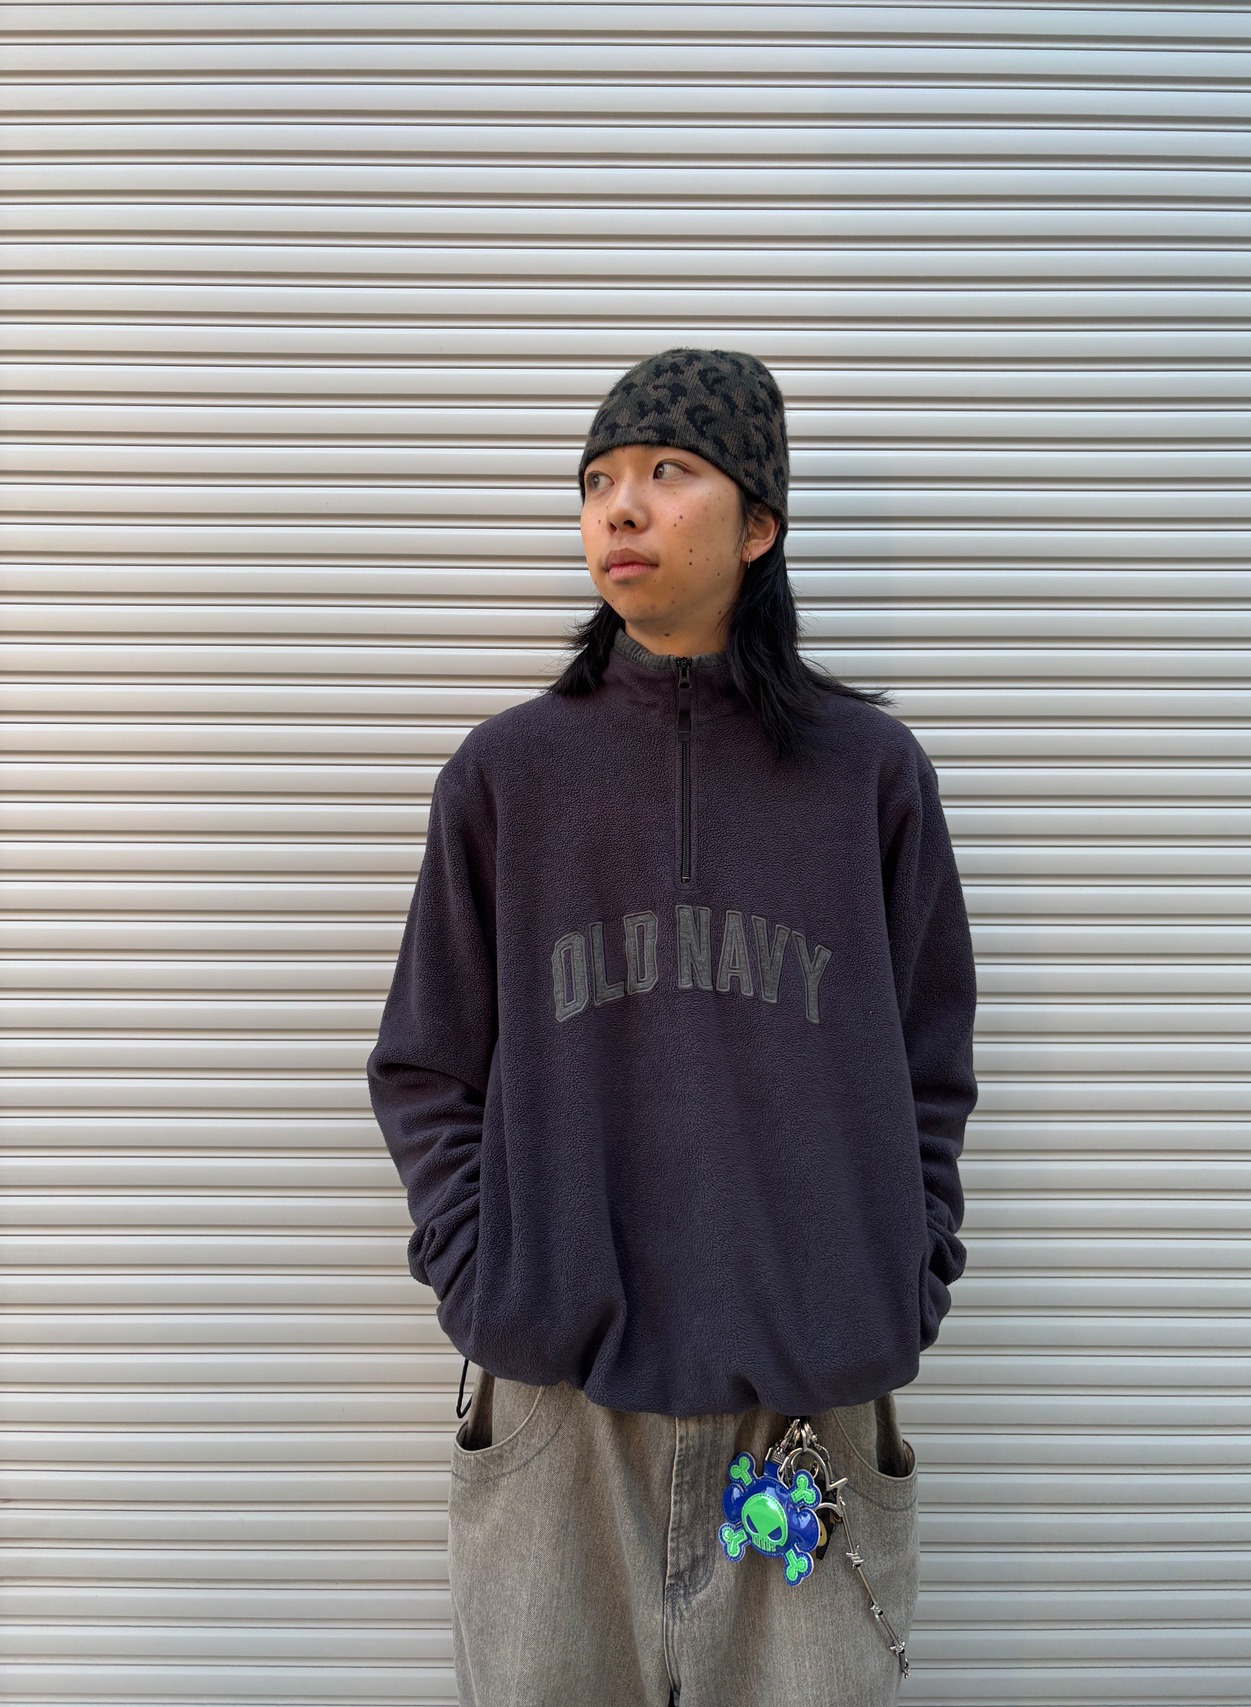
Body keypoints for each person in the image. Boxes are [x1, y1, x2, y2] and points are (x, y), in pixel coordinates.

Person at [366, 347, 979, 1707]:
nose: (620, 508)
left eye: (667, 471)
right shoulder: (507, 778)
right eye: (596, 483)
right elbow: (423, 1065)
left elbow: (932, 1067)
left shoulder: (870, 779)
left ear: (760, 524)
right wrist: (492, 1280)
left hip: (808, 1409)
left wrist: (903, 1271)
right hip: (558, 1421)